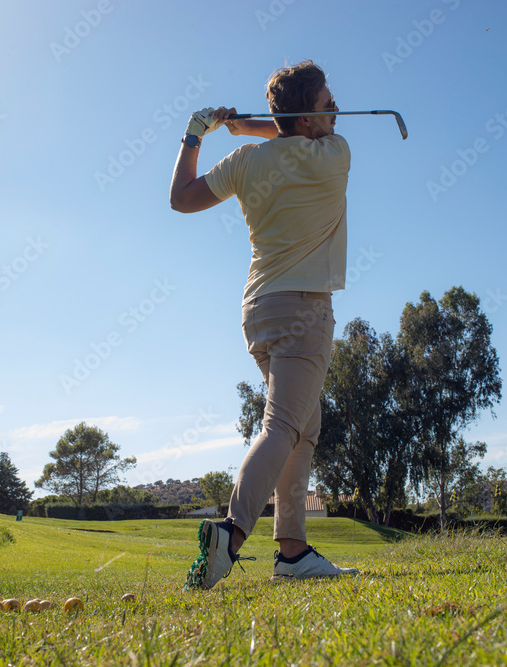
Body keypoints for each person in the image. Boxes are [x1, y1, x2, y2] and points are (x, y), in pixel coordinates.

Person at [170, 60, 360, 589]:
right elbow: (295, 135)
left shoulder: (245, 162)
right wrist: (248, 124)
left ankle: (293, 554)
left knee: (303, 428)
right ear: (306, 118)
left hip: (259, 311)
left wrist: (198, 134)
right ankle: (229, 535)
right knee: (284, 426)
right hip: (305, 309)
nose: (337, 110)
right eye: (327, 104)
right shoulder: (336, 155)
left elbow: (181, 200)